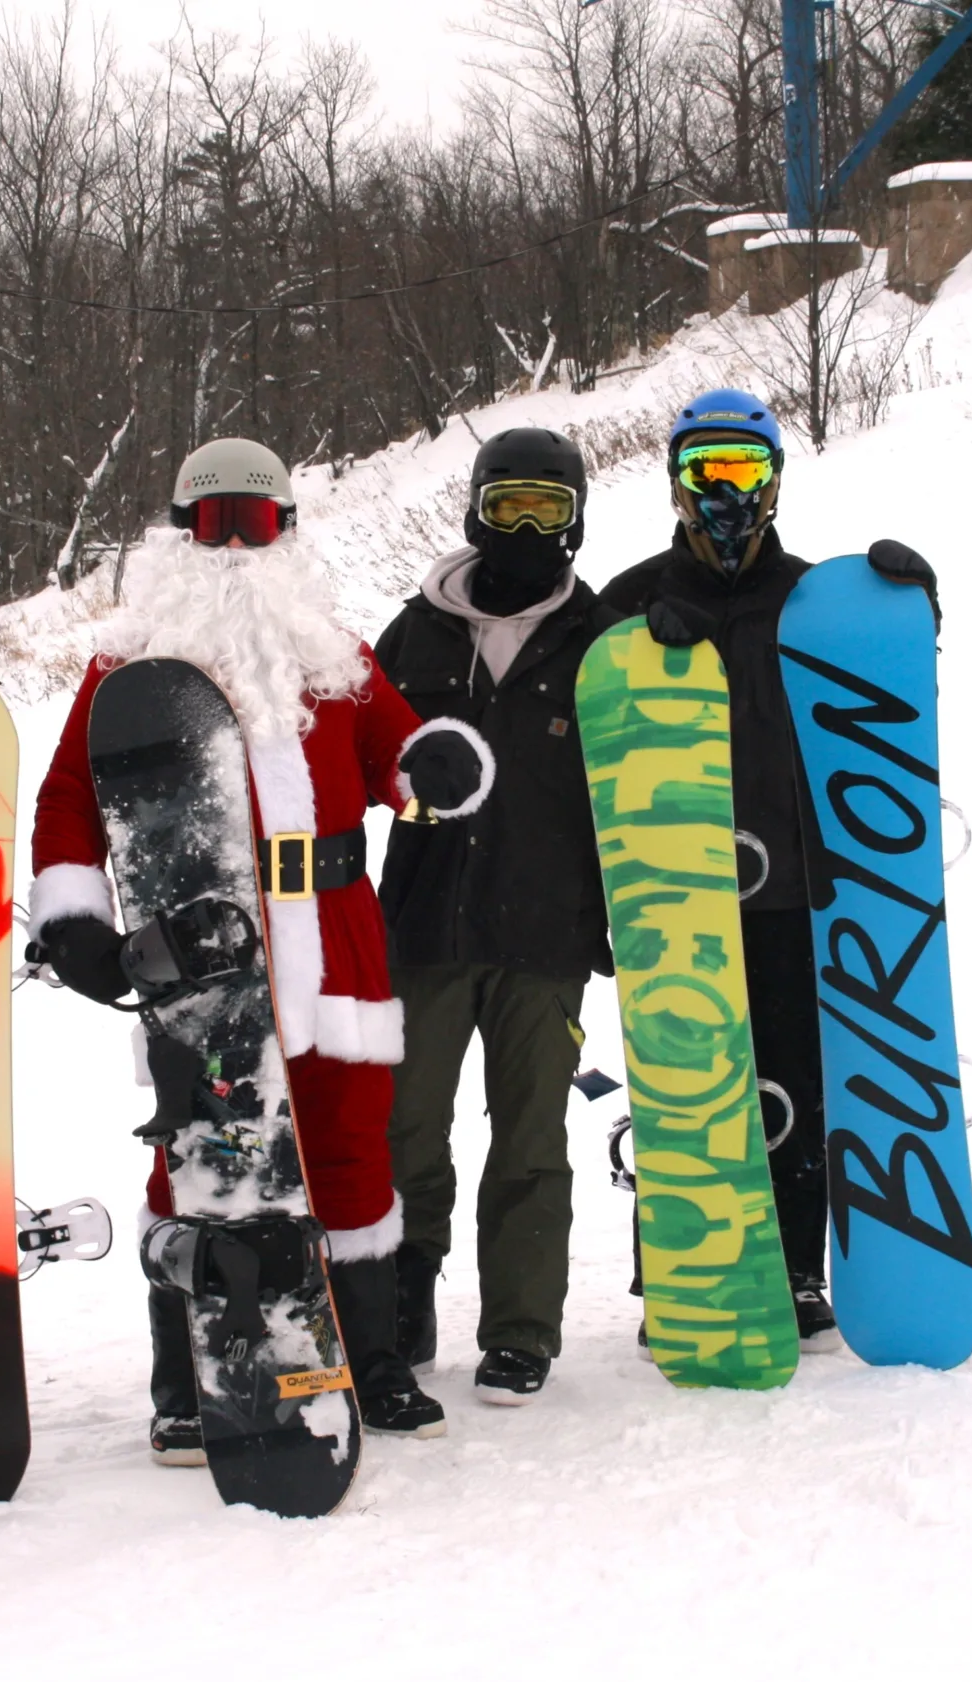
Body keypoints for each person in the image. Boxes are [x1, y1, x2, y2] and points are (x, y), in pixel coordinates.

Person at [26, 437, 493, 1462]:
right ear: (179, 535)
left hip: (332, 943)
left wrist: (439, 765)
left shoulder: (333, 655)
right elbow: (69, 795)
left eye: (254, 521)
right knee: (198, 1159)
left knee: (349, 1154)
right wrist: (73, 918)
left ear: (286, 531)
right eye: (213, 523)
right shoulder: (127, 665)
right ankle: (189, 1383)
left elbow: (401, 764)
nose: (234, 545)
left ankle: (367, 1363)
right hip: (199, 958)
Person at [598, 389, 939, 1343]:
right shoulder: (629, 603)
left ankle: (792, 1268)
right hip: (676, 888)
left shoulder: (813, 599)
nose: (726, 493)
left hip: (796, 891)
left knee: (796, 1082)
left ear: (776, 480)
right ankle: (684, 1273)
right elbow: (583, 735)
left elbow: (884, 699)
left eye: (744, 471)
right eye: (706, 470)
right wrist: (629, 648)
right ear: (675, 483)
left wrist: (907, 607)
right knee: (689, 1083)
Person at [371, 427, 617, 1405]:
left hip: (546, 931)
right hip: (426, 925)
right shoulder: (414, 631)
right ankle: (401, 1290)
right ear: (474, 507)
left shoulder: (601, 638)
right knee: (405, 1126)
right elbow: (358, 762)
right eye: (508, 503)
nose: (523, 526)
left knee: (529, 1136)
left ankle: (521, 1329)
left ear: (575, 523)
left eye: (545, 509)